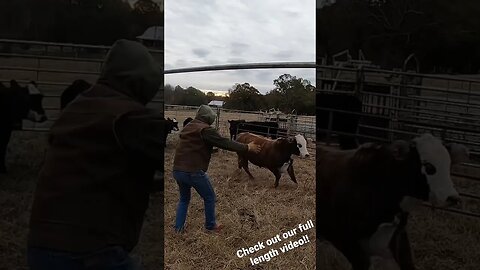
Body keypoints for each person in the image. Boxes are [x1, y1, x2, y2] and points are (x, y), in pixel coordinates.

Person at [27, 39, 166, 270]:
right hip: (89, 251)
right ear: (141, 82)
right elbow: (176, 155)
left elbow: (92, 169)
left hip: (41, 245)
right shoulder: (130, 117)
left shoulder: (78, 105)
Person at [173, 105, 261, 232]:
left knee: (184, 199)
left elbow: (193, 145)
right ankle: (211, 226)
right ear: (208, 118)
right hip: (193, 171)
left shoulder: (189, 126)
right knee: (210, 197)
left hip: (178, 169)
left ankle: (178, 228)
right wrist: (247, 147)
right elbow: (225, 142)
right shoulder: (206, 130)